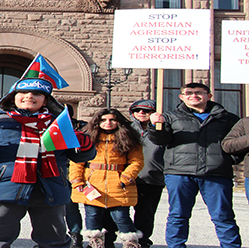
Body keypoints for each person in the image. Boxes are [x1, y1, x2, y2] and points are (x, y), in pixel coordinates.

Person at [0, 78, 95, 248]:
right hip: (6, 188)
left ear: (45, 99)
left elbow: (81, 157)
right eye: (23, 92)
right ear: (13, 97)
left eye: (37, 93)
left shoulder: (60, 123)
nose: (29, 96)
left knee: (55, 242)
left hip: (50, 189)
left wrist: (84, 145)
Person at [149, 82, 241, 248]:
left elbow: (237, 143)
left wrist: (228, 160)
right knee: (178, 215)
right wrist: (155, 126)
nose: (194, 95)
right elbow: (160, 140)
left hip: (216, 174)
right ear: (182, 97)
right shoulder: (170, 117)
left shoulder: (227, 118)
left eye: (199, 92)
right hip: (180, 173)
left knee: (223, 216)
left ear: (209, 96)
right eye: (189, 92)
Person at [70, 108, 143, 248]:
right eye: (103, 120)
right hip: (92, 183)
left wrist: (126, 177)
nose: (107, 123)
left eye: (112, 120)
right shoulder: (87, 138)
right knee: (92, 216)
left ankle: (131, 244)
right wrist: (77, 180)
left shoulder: (130, 139)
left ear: (119, 122)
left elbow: (137, 161)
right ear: (97, 122)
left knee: (121, 217)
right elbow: (77, 161)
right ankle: (95, 244)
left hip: (118, 183)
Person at [129, 99, 164, 248]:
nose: (141, 113)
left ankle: (142, 241)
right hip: (128, 178)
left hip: (151, 178)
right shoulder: (127, 129)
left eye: (146, 111)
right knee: (118, 212)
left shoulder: (163, 129)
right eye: (137, 110)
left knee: (146, 214)